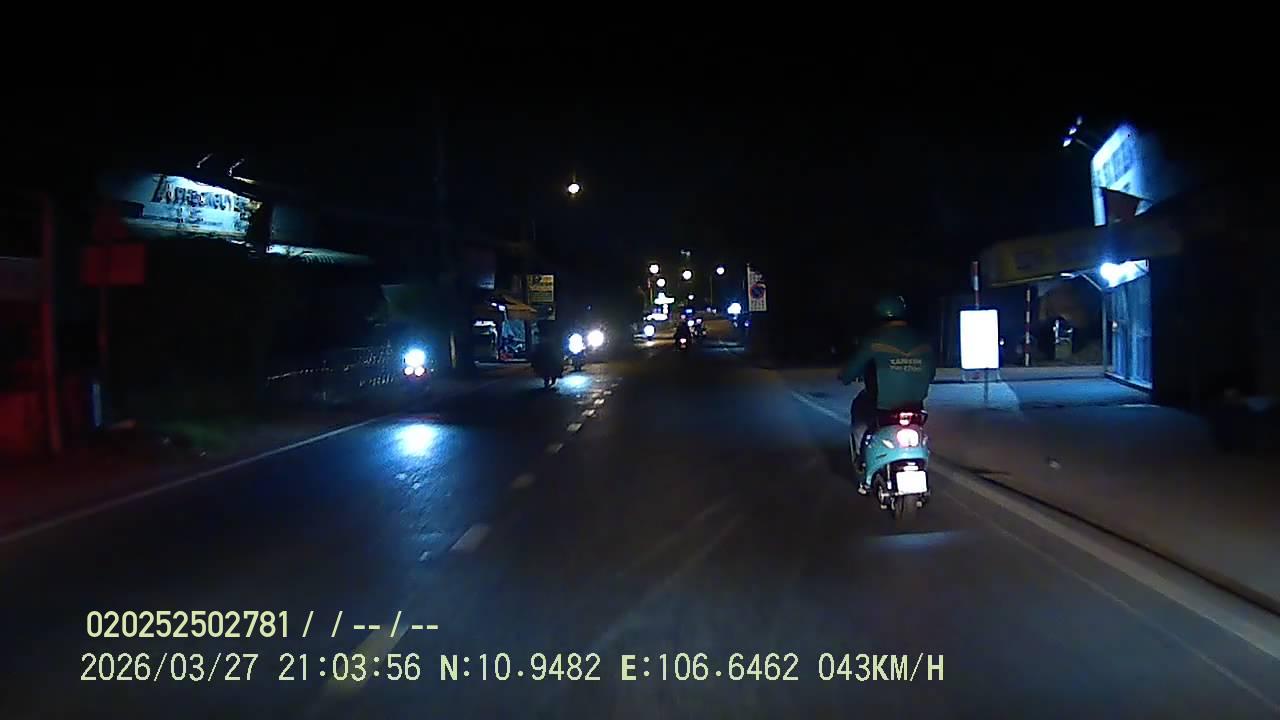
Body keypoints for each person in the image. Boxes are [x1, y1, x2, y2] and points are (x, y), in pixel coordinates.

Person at [837, 295, 937, 493]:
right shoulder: (921, 339)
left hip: (882, 406)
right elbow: (931, 373)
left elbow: (851, 371)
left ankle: (862, 461)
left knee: (859, 414)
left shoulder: (874, 339)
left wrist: (845, 376)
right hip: (915, 406)